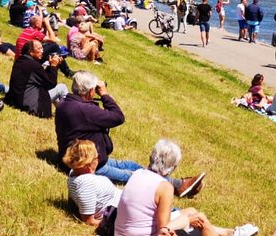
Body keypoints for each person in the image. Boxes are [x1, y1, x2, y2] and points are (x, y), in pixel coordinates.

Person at [55, 73, 203, 193]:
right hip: (87, 165)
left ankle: (172, 183)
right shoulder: (85, 110)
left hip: (79, 157)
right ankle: (178, 185)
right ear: (91, 91)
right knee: (134, 176)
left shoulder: (65, 104)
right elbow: (118, 117)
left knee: (130, 165)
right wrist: (105, 94)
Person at [112, 139, 232, 236]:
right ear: (173, 167)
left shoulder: (137, 174)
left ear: (151, 157)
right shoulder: (165, 188)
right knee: (199, 225)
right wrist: (187, 221)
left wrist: (187, 218)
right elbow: (163, 231)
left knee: (191, 211)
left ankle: (225, 233)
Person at [62, 139, 121, 227]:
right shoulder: (87, 184)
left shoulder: (73, 173)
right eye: (98, 157)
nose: (99, 160)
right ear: (88, 163)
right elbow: (89, 221)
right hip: (120, 211)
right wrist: (112, 223)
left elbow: (72, 201)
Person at [5, 40, 65, 118]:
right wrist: (54, 66)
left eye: (42, 48)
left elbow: (42, 78)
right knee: (62, 87)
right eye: (39, 49)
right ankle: (67, 113)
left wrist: (50, 66)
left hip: (15, 101)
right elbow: (51, 83)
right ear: (31, 52)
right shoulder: (35, 66)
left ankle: (61, 112)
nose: (42, 51)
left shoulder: (20, 60)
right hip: (31, 105)